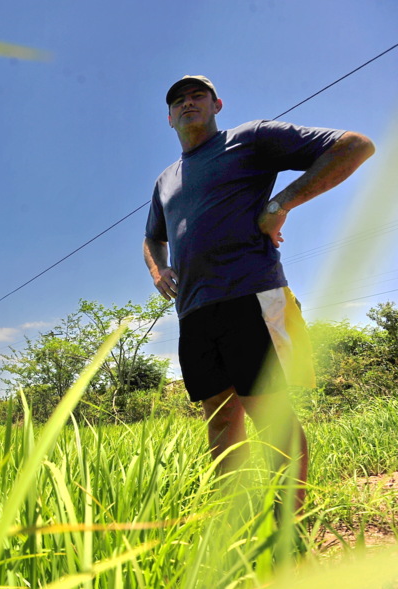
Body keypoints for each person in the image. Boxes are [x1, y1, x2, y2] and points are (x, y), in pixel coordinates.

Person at [142, 75, 375, 509]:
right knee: (218, 412)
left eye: (198, 96)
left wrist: (279, 203)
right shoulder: (166, 180)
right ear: (169, 118)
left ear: (217, 105)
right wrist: (159, 270)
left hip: (249, 293)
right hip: (193, 308)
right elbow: (152, 236)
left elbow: (354, 145)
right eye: (178, 100)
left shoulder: (249, 139)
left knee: (266, 410)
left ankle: (290, 522)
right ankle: (233, 516)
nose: (187, 103)